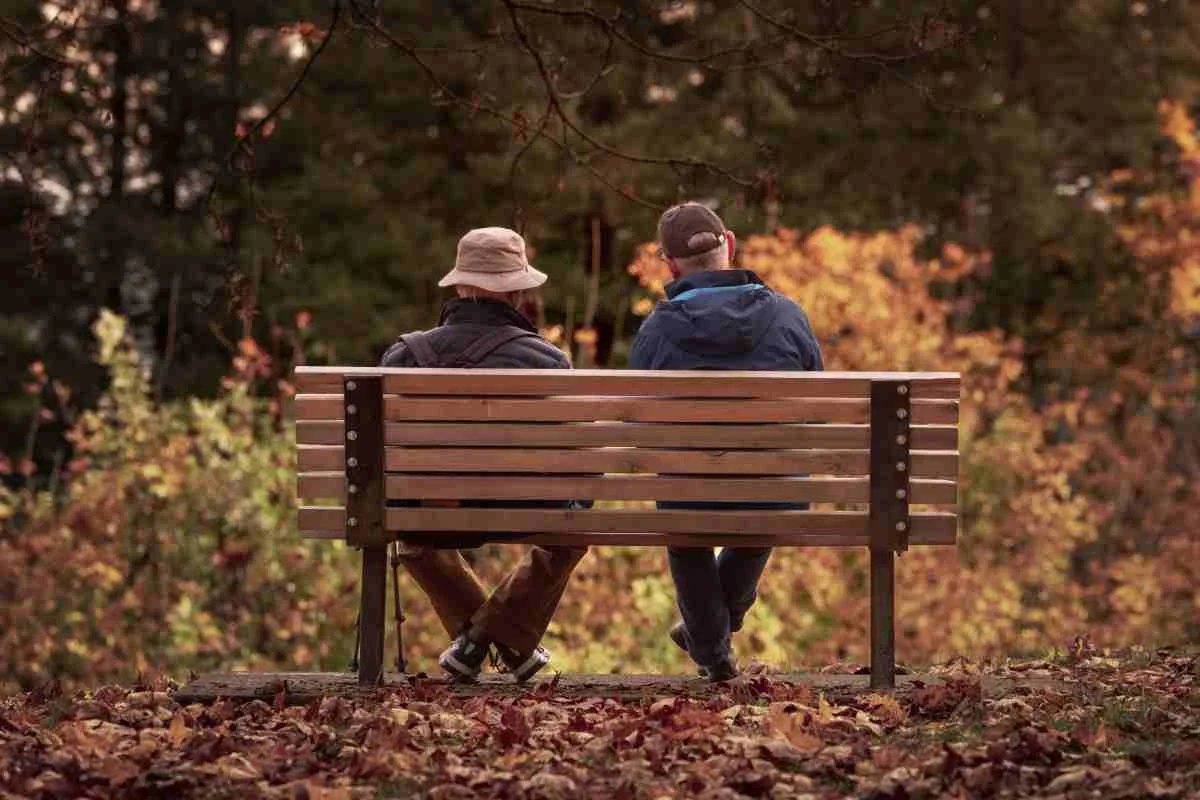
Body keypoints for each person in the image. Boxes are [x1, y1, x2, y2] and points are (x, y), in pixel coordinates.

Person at [380, 226, 587, 683]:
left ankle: (476, 642)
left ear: (457, 284)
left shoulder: (402, 357)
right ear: (517, 291)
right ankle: (498, 638)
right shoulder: (547, 362)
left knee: (409, 526)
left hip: (432, 511)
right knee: (574, 524)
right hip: (526, 512)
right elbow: (577, 461)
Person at [628, 202, 823, 681]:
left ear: (670, 266)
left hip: (690, 493)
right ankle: (710, 634)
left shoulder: (656, 329)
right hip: (774, 493)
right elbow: (816, 403)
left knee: (685, 524)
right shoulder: (788, 316)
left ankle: (712, 650)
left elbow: (636, 419)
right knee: (769, 495)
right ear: (729, 246)